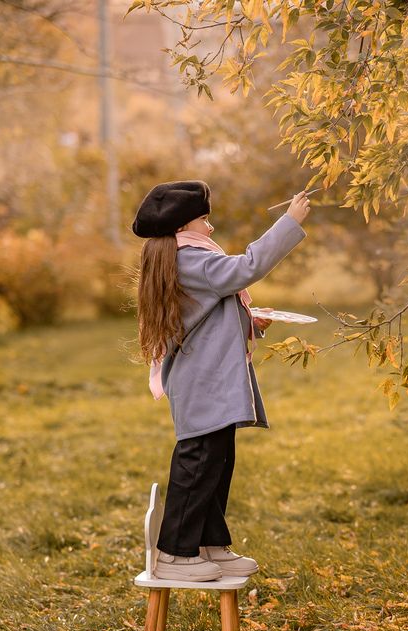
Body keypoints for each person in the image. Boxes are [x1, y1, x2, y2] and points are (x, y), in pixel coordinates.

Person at [133, 180, 311, 581]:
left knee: (217, 461)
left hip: (207, 379)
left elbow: (206, 316)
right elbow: (245, 268)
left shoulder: (186, 260)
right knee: (198, 463)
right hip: (203, 382)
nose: (210, 229)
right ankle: (176, 553)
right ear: (183, 227)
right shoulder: (191, 260)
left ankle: (209, 543)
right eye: (204, 220)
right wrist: (289, 222)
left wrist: (250, 320)